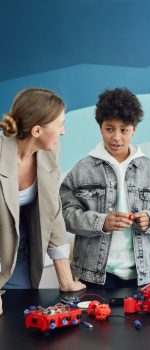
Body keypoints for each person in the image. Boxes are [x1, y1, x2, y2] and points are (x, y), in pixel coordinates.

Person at [59, 87, 150, 289]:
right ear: (100, 128)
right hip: (92, 275)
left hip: (140, 274)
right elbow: (64, 215)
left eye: (124, 130)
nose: (117, 137)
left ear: (134, 129)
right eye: (109, 128)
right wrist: (101, 222)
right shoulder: (82, 169)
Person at [0, 88, 86, 315]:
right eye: (59, 125)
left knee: (18, 315)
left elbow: (52, 210)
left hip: (20, 248)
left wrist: (66, 280)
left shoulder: (50, 151)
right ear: (37, 130)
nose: (63, 132)